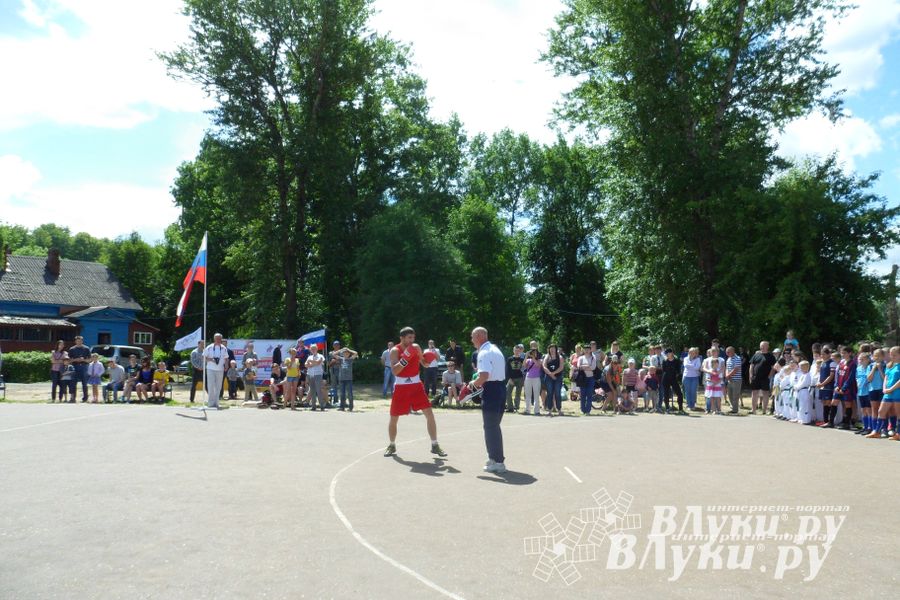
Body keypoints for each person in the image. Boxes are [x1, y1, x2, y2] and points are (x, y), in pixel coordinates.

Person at [383, 327, 446, 457]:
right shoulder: (395, 351)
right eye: (409, 338)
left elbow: (424, 363)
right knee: (394, 417)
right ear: (402, 338)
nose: (412, 340)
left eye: (413, 338)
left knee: (429, 414)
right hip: (401, 386)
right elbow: (395, 371)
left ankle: (435, 445)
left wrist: (428, 360)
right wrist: (405, 358)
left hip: (416, 385)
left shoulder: (416, 347)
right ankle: (392, 444)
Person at [470, 327, 507, 474]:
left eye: (472, 337)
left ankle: (498, 462)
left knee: (491, 427)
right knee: (493, 426)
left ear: (479, 336)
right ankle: (494, 458)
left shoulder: (483, 353)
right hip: (500, 388)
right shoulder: (496, 350)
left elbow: (484, 376)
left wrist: (472, 385)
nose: (471, 340)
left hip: (492, 390)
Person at [749, 342, 777, 414]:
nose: (762, 347)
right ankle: (753, 410)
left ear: (767, 347)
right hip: (755, 377)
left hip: (765, 378)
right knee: (754, 393)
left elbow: (773, 367)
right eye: (761, 346)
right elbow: (751, 366)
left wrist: (770, 375)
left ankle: (764, 411)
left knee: (765, 393)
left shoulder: (771, 356)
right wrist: (751, 375)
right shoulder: (756, 355)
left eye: (764, 346)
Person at [834, 346, 857, 430]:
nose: (842, 354)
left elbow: (851, 378)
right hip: (838, 388)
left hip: (848, 389)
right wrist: (836, 386)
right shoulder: (841, 363)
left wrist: (843, 388)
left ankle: (847, 423)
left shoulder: (853, 364)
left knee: (848, 405)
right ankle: (831, 422)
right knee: (834, 403)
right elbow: (837, 375)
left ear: (850, 353)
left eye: (844, 353)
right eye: (841, 353)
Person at [204, 333, 227, 409]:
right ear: (214, 339)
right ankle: (210, 403)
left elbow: (226, 358)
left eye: (219, 338)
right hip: (210, 369)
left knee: (218, 387)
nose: (218, 340)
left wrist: (226, 365)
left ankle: (216, 403)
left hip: (220, 369)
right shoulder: (209, 347)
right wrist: (211, 359)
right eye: (217, 338)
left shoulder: (223, 348)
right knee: (210, 386)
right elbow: (204, 357)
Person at [817, 347, 838, 428]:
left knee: (829, 403)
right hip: (823, 386)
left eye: (824, 354)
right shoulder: (822, 363)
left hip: (829, 386)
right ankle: (825, 421)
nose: (822, 355)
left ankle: (830, 421)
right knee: (824, 403)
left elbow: (831, 376)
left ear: (829, 354)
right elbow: (821, 374)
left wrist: (823, 384)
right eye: (821, 354)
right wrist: (819, 382)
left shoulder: (832, 363)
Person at [68, 335, 92, 402]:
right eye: (77, 341)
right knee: (73, 383)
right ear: (75, 341)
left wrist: (83, 360)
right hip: (75, 367)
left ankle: (85, 398)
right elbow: (69, 360)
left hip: (84, 366)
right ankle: (73, 398)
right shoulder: (72, 349)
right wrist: (76, 359)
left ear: (82, 341)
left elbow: (90, 360)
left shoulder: (86, 348)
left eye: (80, 341)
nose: (79, 342)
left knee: (84, 383)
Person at [702, 346, 725, 415]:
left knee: (718, 397)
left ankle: (719, 410)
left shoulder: (721, 359)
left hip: (718, 380)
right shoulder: (707, 360)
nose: (713, 352)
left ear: (718, 352)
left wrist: (718, 373)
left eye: (715, 351)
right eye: (712, 351)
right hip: (710, 380)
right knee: (711, 397)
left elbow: (723, 368)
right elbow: (704, 368)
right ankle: (713, 410)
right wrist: (710, 372)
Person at [543, 344, 564, 416]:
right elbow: (544, 366)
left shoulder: (560, 357)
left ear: (556, 349)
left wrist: (553, 373)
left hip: (558, 378)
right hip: (549, 378)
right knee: (549, 394)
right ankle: (549, 411)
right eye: (550, 348)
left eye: (553, 348)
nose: (552, 350)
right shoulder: (547, 357)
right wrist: (550, 374)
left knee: (558, 394)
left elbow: (561, 367)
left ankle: (559, 410)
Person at [305, 344, 327, 411]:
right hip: (310, 374)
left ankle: (321, 406)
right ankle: (313, 406)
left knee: (318, 390)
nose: (313, 350)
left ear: (317, 349)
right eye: (312, 349)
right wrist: (314, 363)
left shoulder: (320, 356)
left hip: (318, 374)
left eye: (314, 348)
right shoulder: (309, 357)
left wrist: (311, 363)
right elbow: (306, 365)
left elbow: (318, 362)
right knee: (312, 391)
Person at [855, 352, 873, 434]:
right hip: (860, 392)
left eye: (862, 359)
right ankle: (865, 427)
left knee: (869, 410)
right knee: (863, 410)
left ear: (868, 360)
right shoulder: (858, 368)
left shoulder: (869, 367)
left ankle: (870, 427)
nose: (860, 360)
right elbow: (857, 378)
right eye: (859, 359)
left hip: (868, 391)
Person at [661, 348, 683, 413]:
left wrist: (676, 376)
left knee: (679, 393)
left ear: (672, 353)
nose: (667, 355)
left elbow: (678, 371)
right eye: (666, 353)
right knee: (666, 394)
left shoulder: (677, 361)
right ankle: (667, 408)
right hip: (666, 379)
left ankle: (680, 408)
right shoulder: (664, 361)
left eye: (668, 353)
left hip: (674, 379)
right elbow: (664, 370)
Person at [505, 344, 526, 412]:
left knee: (518, 394)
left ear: (520, 351)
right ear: (513, 351)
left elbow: (525, 367)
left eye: (518, 350)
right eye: (515, 350)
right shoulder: (510, 359)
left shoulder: (522, 359)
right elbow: (507, 370)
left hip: (519, 378)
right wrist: (509, 379)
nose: (516, 352)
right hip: (511, 378)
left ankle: (516, 407)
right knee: (507, 392)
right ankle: (510, 407)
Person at [577, 346, 596, 415]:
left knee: (589, 394)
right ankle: (583, 410)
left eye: (588, 349)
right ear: (583, 350)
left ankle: (588, 411)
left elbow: (593, 368)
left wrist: (583, 367)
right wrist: (588, 366)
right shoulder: (580, 358)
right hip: (582, 379)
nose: (587, 350)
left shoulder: (593, 358)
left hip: (591, 378)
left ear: (590, 350)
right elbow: (579, 366)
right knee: (583, 394)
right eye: (585, 349)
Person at [523, 349, 543, 415]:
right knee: (527, 394)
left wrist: (533, 357)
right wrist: (526, 356)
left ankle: (536, 411)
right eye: (532, 353)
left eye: (535, 353)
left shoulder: (540, 360)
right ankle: (527, 410)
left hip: (536, 378)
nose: (534, 354)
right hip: (528, 378)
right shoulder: (528, 360)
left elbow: (538, 365)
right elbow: (524, 365)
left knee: (536, 395)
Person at [338, 347, 358, 411]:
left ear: (349, 354)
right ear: (343, 354)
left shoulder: (350, 359)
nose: (346, 354)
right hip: (341, 378)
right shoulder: (341, 359)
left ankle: (350, 407)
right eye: (344, 353)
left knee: (350, 393)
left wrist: (348, 349)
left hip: (349, 379)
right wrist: (341, 350)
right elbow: (333, 354)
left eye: (347, 353)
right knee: (342, 394)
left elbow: (356, 353)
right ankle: (342, 407)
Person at [725, 346, 742, 414]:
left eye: (728, 352)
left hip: (736, 380)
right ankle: (732, 407)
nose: (727, 353)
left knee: (735, 395)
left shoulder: (737, 358)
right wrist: (726, 375)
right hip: (730, 379)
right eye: (726, 352)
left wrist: (728, 375)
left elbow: (736, 369)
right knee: (730, 394)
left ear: (732, 351)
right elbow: (727, 368)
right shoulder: (728, 359)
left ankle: (735, 410)